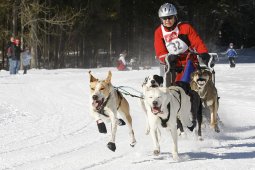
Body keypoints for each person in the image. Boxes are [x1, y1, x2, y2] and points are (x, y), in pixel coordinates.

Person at [154, 3, 211, 130]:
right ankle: (170, 118)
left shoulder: (185, 27)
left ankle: (205, 114)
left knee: (189, 88)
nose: (167, 20)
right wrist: (167, 57)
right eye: (165, 18)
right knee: (169, 92)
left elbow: (197, 41)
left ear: (175, 17)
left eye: (170, 17)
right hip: (171, 65)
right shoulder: (159, 32)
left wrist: (203, 52)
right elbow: (160, 52)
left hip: (189, 61)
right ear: (161, 19)